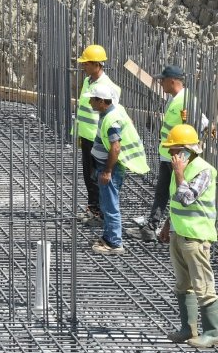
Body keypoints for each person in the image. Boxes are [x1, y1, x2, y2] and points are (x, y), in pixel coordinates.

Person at [127, 65, 206, 242]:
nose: (160, 83)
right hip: (167, 154)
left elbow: (201, 123)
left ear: (172, 81)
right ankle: (153, 226)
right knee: (162, 191)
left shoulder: (186, 100)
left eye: (162, 80)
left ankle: (175, 230)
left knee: (175, 192)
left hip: (178, 157)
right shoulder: (175, 98)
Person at [158, 124, 218, 348]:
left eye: (174, 150)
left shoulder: (203, 170)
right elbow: (176, 203)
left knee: (203, 285)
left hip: (196, 237)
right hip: (179, 233)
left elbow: (187, 198)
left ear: (187, 150)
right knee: (183, 284)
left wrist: (180, 173)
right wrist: (167, 225)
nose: (172, 155)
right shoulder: (180, 169)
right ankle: (188, 329)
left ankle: (212, 332)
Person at [87, 83, 150, 255]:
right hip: (106, 166)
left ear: (101, 101)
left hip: (110, 168)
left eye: (92, 100)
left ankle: (114, 242)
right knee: (106, 203)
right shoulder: (114, 110)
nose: (90, 103)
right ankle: (108, 237)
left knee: (110, 205)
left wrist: (107, 171)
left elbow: (115, 147)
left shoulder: (111, 120)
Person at [74, 44, 121, 227]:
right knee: (88, 174)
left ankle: (100, 213)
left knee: (96, 175)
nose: (83, 66)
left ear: (96, 64)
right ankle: (93, 207)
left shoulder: (107, 87)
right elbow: (82, 110)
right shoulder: (88, 81)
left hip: (98, 138)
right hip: (86, 136)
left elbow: (112, 114)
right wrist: (77, 133)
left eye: (86, 63)